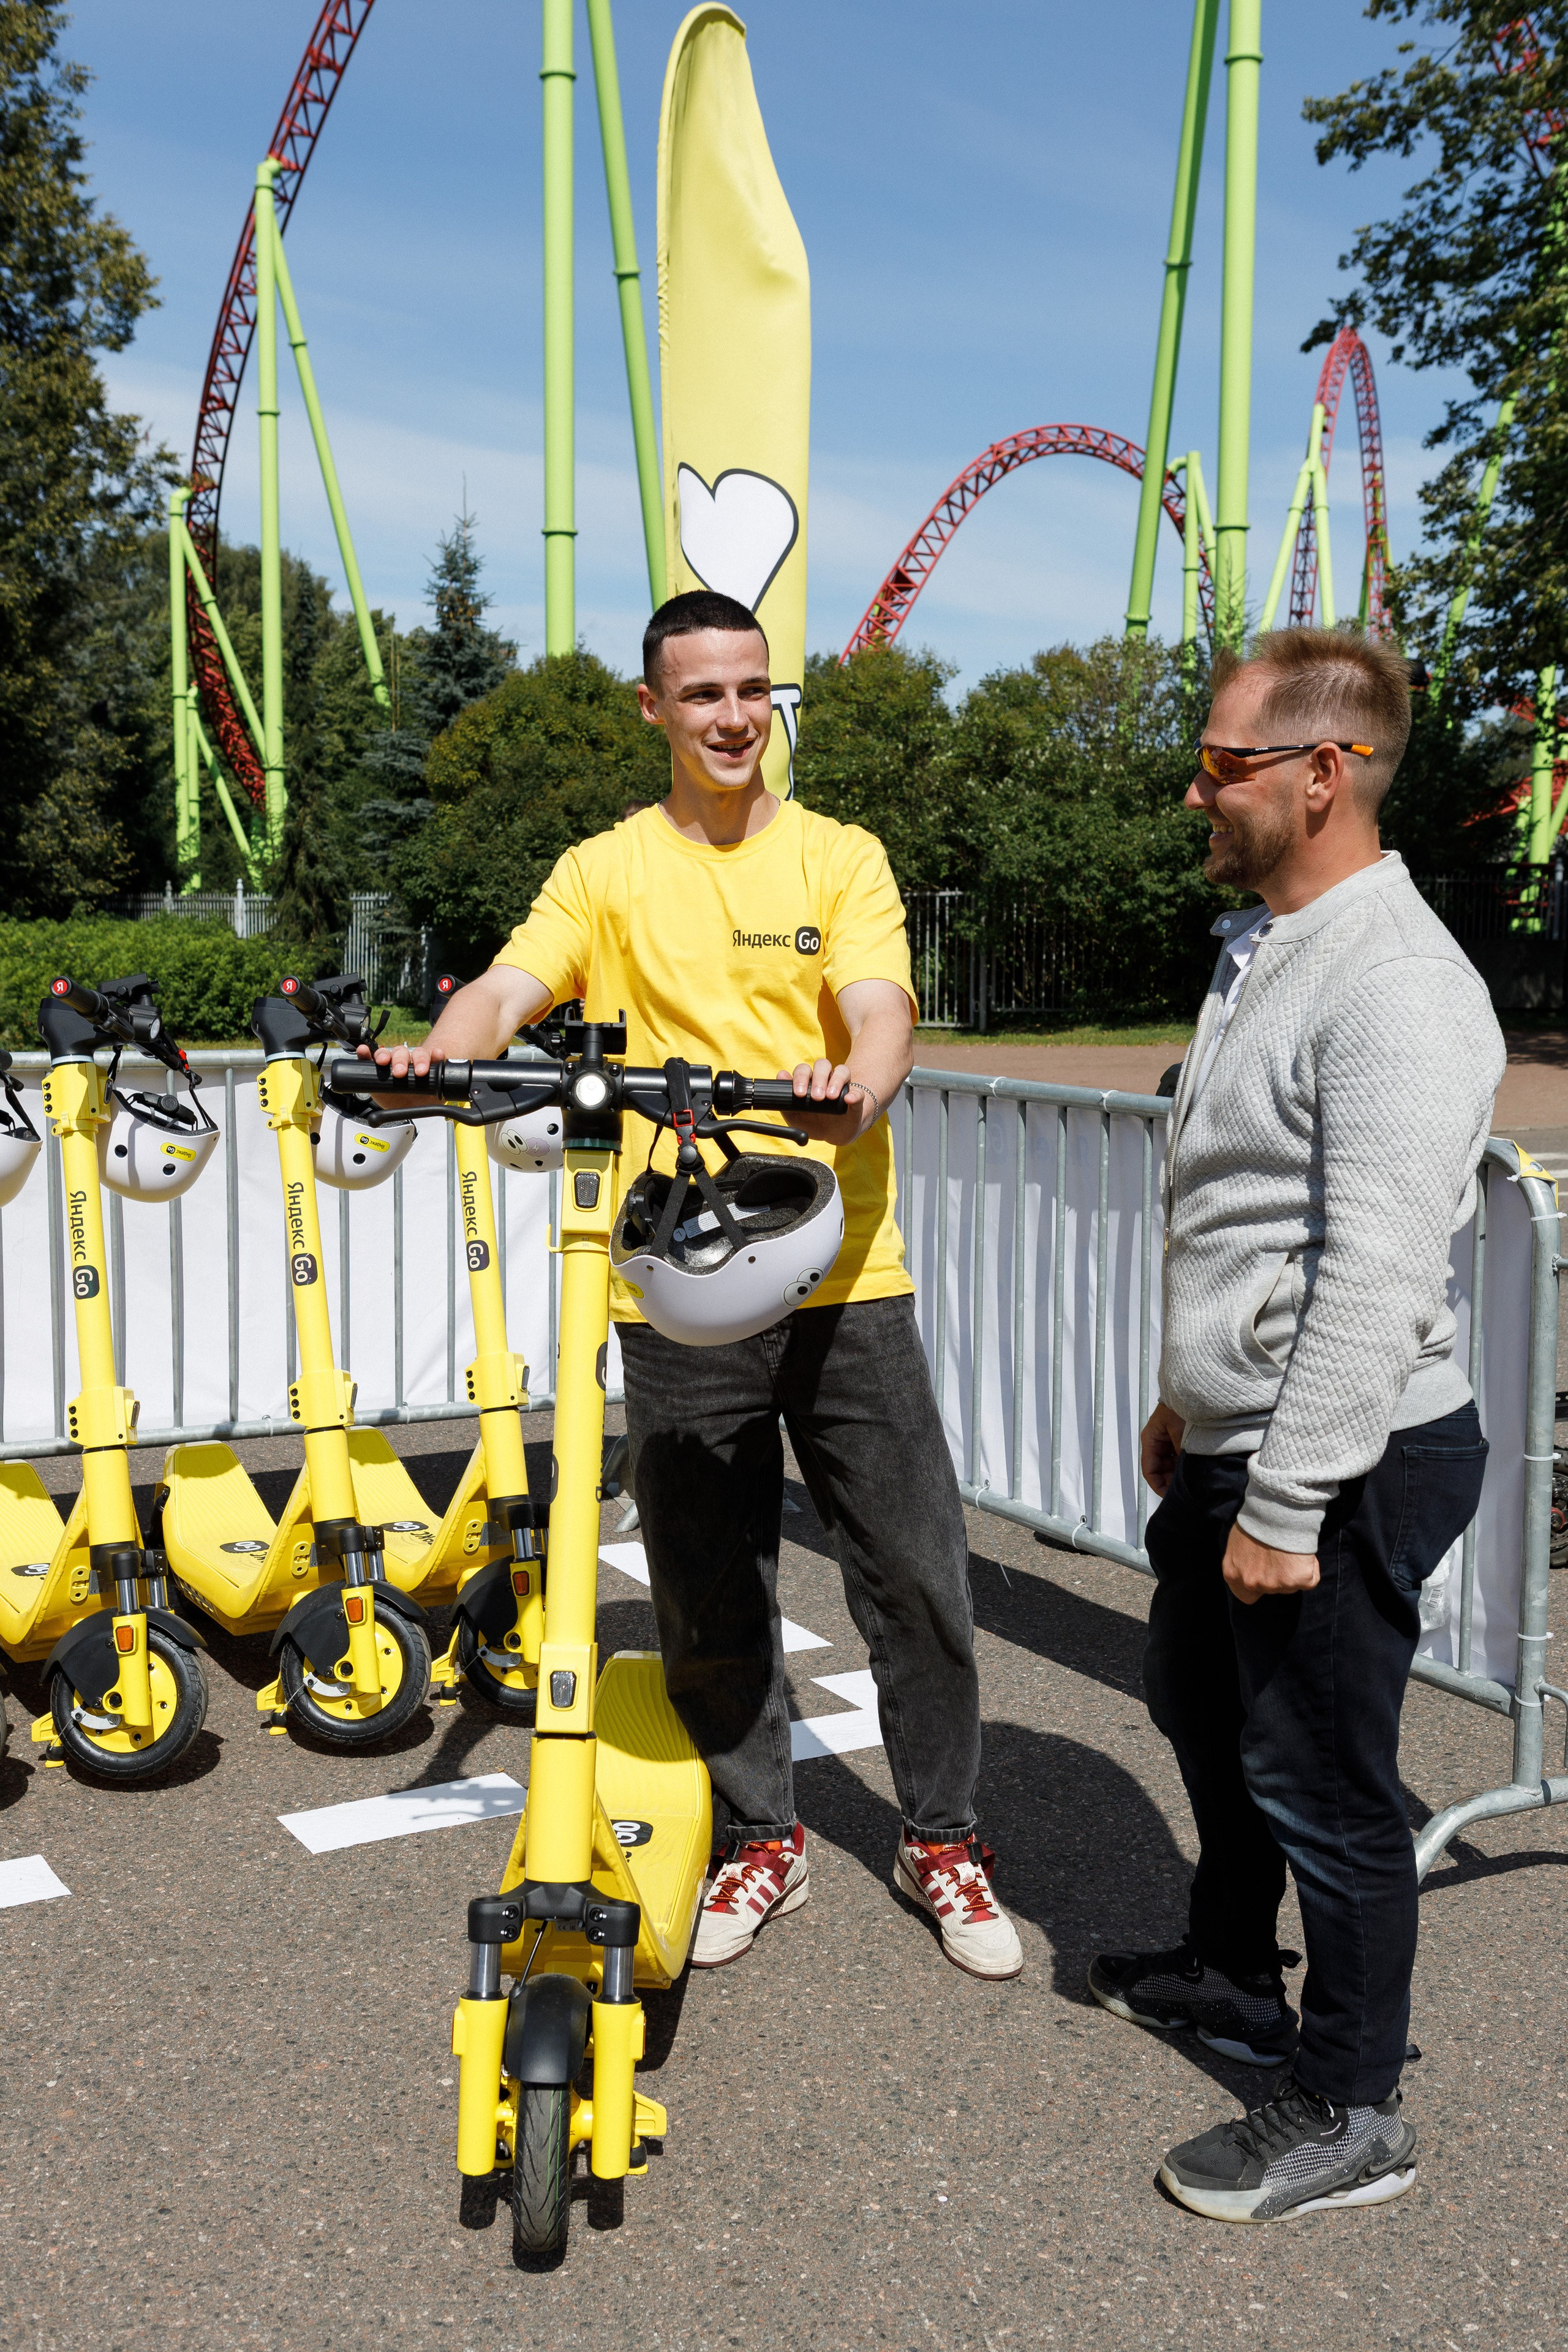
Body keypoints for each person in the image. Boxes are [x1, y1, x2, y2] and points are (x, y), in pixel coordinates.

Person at [371, 590, 1021, 1981]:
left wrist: (864, 1077)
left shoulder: (839, 856)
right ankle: (759, 1838)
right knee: (704, 1583)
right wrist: (443, 1050)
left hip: (844, 1271)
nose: (733, 718)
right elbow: (506, 987)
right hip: (675, 1281)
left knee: (912, 1571)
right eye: (703, 695)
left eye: (751, 691)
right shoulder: (605, 867)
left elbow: (879, 1002)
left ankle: (942, 1840)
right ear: (654, 710)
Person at [1090, 628, 1504, 2222]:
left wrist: (1287, 1501)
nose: (1200, 787)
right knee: (1203, 1710)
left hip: (1350, 1450)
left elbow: (1378, 1269)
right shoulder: (1268, 943)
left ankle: (1350, 2105)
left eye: (1223, 764)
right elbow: (1252, 1219)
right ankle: (1228, 1971)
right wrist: (1190, 1409)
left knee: (1324, 1778)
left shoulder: (1397, 982)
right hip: (1243, 1435)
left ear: (1324, 775)